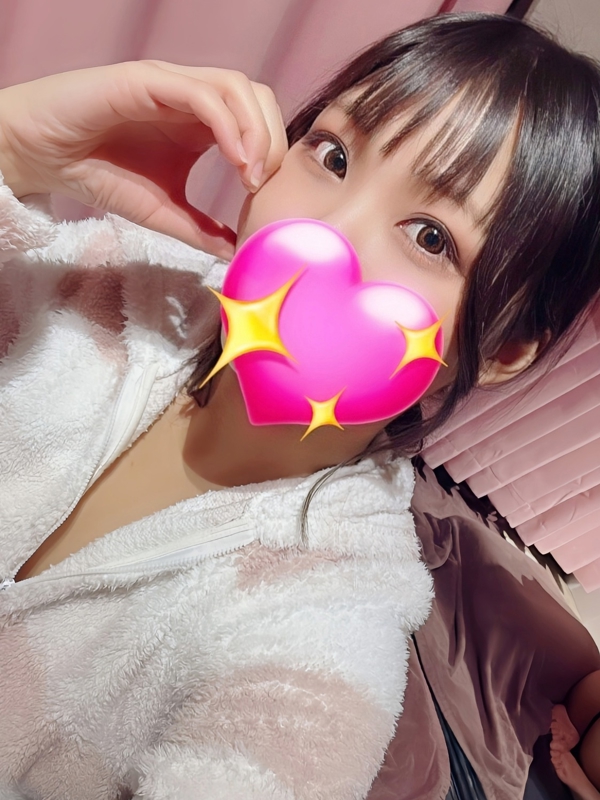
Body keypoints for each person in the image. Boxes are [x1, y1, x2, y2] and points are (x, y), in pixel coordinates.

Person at [0, 11, 600, 799]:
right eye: (333, 154)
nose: (322, 232)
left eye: (430, 237)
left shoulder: (329, 630)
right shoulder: (120, 283)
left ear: (502, 349)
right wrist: (12, 146)